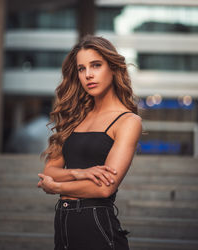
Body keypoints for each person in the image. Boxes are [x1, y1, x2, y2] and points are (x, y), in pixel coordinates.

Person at [38, 34, 142, 250]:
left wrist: (57, 186)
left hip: (96, 223)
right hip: (64, 222)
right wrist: (80, 173)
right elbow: (50, 169)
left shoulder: (127, 121)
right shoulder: (73, 117)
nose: (88, 75)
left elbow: (105, 188)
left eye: (96, 65)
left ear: (113, 68)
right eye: (81, 69)